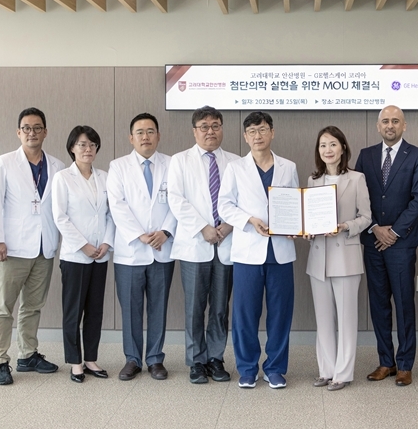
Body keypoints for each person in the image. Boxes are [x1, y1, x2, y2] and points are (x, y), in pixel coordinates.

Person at [218, 111, 299, 389]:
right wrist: (249, 220)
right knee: (245, 315)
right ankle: (247, 368)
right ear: (245, 136)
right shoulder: (235, 168)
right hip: (248, 252)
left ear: (272, 132)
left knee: (280, 314)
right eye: (252, 131)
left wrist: (295, 225)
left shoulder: (288, 167)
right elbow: (224, 206)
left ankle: (275, 368)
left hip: (280, 251)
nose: (257, 136)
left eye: (262, 130)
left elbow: (294, 203)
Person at [0, 107, 65, 385]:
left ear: (45, 132)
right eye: (27, 128)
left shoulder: (57, 166)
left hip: (44, 247)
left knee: (33, 306)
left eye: (37, 127)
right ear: (19, 132)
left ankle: (28, 355)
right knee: (4, 307)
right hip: (12, 247)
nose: (32, 132)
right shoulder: (4, 163)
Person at [354, 105, 418, 387]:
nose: (390, 125)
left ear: (404, 125)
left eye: (395, 121)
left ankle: (405, 364)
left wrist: (395, 231)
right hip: (373, 240)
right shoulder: (366, 155)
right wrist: (374, 226)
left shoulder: (417, 156)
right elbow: (357, 197)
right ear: (378, 126)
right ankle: (386, 361)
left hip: (402, 244)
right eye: (385, 121)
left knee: (404, 303)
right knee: (378, 304)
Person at [168, 106, 239, 384]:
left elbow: (242, 199)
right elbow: (176, 200)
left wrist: (228, 224)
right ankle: (196, 360)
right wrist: (203, 228)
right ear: (194, 131)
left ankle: (215, 358)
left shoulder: (235, 162)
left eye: (216, 125)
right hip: (195, 244)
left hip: (227, 243)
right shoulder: (180, 160)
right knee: (195, 308)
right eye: (204, 126)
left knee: (220, 308)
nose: (211, 131)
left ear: (222, 128)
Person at [107, 113, 176, 381]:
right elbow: (117, 205)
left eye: (150, 131)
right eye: (140, 132)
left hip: (162, 248)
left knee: (159, 307)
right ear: (131, 138)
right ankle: (132, 359)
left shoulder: (172, 164)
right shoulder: (118, 166)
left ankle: (155, 359)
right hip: (131, 252)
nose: (145, 136)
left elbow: (179, 201)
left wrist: (166, 231)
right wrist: (140, 235)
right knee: (131, 309)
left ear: (158, 135)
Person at [305, 126, 372, 392]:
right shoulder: (313, 181)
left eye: (333, 144)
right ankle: (326, 370)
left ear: (343, 148)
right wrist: (307, 231)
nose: (328, 150)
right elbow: (309, 217)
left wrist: (345, 226)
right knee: (323, 319)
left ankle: (343, 373)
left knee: (346, 319)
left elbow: (366, 217)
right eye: (323, 145)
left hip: (345, 255)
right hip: (318, 258)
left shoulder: (356, 178)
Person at [52, 126, 114, 383]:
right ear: (72, 148)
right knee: (73, 311)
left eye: (92, 145)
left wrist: (107, 243)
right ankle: (75, 362)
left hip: (101, 255)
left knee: (95, 310)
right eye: (82, 144)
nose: (88, 149)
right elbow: (60, 217)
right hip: (76, 256)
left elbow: (111, 214)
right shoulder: (63, 178)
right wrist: (84, 246)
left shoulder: (105, 177)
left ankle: (90, 358)